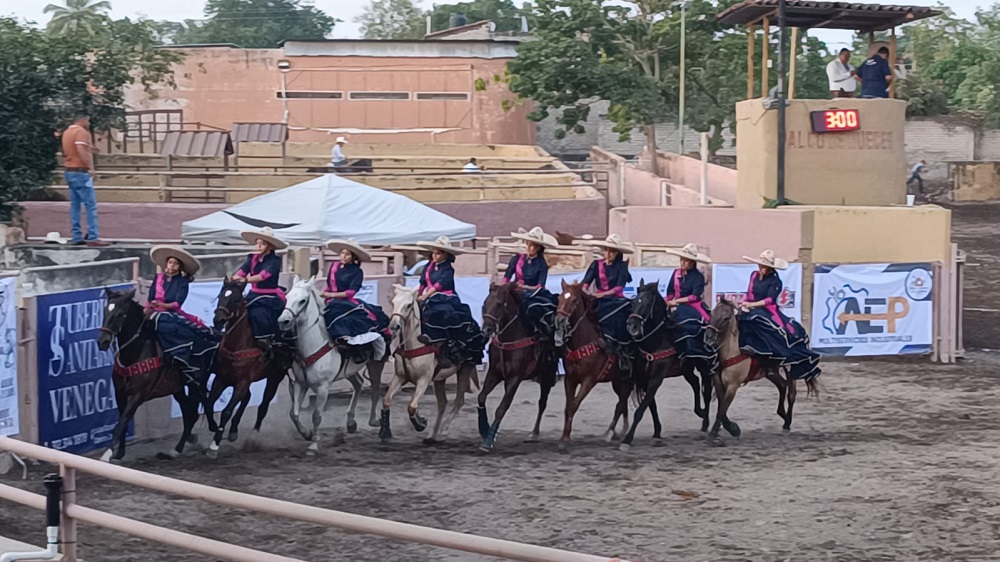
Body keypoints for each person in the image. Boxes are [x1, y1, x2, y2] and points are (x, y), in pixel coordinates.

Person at [738, 250, 821, 381]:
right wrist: (745, 303)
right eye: (760, 265)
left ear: (771, 268)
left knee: (765, 325)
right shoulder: (754, 275)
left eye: (764, 266)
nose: (761, 268)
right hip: (751, 306)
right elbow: (750, 293)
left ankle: (770, 357)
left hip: (767, 310)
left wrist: (751, 305)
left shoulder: (776, 281)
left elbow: (769, 300)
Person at [146, 245, 220, 385]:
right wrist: (149, 308)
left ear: (179, 267)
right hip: (153, 311)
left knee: (167, 323)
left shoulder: (182, 282)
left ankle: (178, 355)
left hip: (170, 313)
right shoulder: (158, 278)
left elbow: (176, 303)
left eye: (175, 263)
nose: (172, 265)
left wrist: (160, 305)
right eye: (170, 262)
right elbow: (150, 298)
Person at [414, 236, 486, 366]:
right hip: (429, 296)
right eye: (434, 253)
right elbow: (423, 283)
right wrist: (418, 295)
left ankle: (439, 340)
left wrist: (425, 296)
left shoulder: (448, 268)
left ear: (445, 255)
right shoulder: (428, 266)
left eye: (438, 253)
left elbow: (439, 285)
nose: (435, 256)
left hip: (445, 297)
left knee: (439, 312)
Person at [321, 239, 391, 355]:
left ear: (353, 257)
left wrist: (331, 295)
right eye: (342, 253)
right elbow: (330, 285)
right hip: (329, 299)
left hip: (345, 301)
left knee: (346, 317)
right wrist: (323, 294)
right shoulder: (334, 266)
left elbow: (350, 292)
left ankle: (347, 344)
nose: (344, 256)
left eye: (347, 254)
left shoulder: (356, 271)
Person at [232, 227, 291, 353]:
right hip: (254, 294)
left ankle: (264, 338)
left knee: (258, 313)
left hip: (269, 296)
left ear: (270, 246)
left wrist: (245, 280)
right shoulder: (251, 258)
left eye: (262, 244)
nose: (259, 246)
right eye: (258, 243)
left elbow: (263, 276)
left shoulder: (274, 261)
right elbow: (241, 271)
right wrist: (235, 277)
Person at [581, 234, 634, 369]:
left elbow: (619, 287)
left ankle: (619, 347)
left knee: (619, 314)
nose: (608, 253)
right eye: (606, 250)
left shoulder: (621, 266)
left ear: (616, 253)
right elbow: (586, 281)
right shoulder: (596, 264)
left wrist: (602, 294)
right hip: (597, 297)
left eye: (612, 251)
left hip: (616, 299)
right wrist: (586, 290)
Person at [663, 243, 717, 366]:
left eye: (686, 260)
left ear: (692, 262)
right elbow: (670, 291)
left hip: (692, 306)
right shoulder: (676, 273)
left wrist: (676, 301)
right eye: (682, 259)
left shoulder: (698, 276)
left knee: (689, 323)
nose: (682, 262)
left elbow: (694, 296)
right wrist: (668, 300)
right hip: (675, 304)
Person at [503, 226, 559, 338]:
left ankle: (537, 331)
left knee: (532, 307)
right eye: (527, 243)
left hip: (532, 293)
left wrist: (524, 286)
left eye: (532, 245)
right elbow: (507, 276)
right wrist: (504, 287)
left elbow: (540, 286)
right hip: (514, 290)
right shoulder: (517, 258)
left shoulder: (541, 264)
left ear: (538, 248)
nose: (529, 247)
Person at [61, 115, 107, 247]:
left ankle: (76, 236)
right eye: (87, 120)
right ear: (81, 120)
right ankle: (93, 236)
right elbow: (80, 149)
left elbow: (72, 149)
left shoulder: (67, 132)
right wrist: (90, 168)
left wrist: (90, 148)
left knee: (75, 205)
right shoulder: (81, 132)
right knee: (90, 205)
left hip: (69, 171)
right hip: (80, 172)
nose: (88, 123)